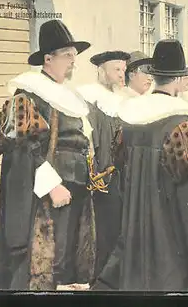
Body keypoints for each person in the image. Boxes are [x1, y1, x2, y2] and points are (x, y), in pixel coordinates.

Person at [93, 39, 188, 291]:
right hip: (172, 237)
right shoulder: (183, 124)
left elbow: (121, 177)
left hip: (135, 231)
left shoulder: (130, 121)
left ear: (154, 76)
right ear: (178, 80)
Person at [0, 19, 97, 290]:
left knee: (63, 265)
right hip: (45, 196)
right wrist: (52, 185)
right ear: (48, 58)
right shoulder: (28, 94)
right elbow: (24, 147)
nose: (73, 62)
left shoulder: (66, 94)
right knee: (38, 267)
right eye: (68, 56)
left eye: (74, 56)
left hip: (74, 192)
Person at [76, 50, 131, 283]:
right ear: (101, 70)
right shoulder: (90, 98)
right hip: (101, 177)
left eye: (124, 70)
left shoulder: (121, 98)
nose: (122, 74)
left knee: (119, 231)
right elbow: (89, 141)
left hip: (120, 175)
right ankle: (99, 284)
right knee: (103, 234)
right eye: (116, 69)